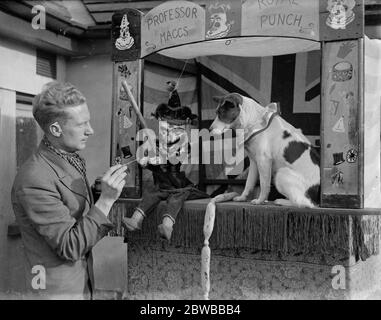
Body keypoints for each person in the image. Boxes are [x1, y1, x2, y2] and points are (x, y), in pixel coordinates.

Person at [11, 81, 128, 300]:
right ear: (56, 129)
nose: (90, 130)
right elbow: (70, 246)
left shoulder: (67, 157)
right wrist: (106, 201)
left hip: (81, 281)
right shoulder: (34, 179)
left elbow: (70, 207)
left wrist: (97, 191)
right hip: (55, 290)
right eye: (82, 124)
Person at [122, 85, 209, 241]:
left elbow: (172, 159)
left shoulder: (183, 145)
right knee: (150, 195)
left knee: (176, 198)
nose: (171, 131)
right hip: (162, 186)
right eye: (167, 127)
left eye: (176, 127)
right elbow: (146, 163)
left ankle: (167, 225)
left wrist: (157, 155)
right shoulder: (156, 143)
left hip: (178, 186)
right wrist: (146, 157)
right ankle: (135, 220)